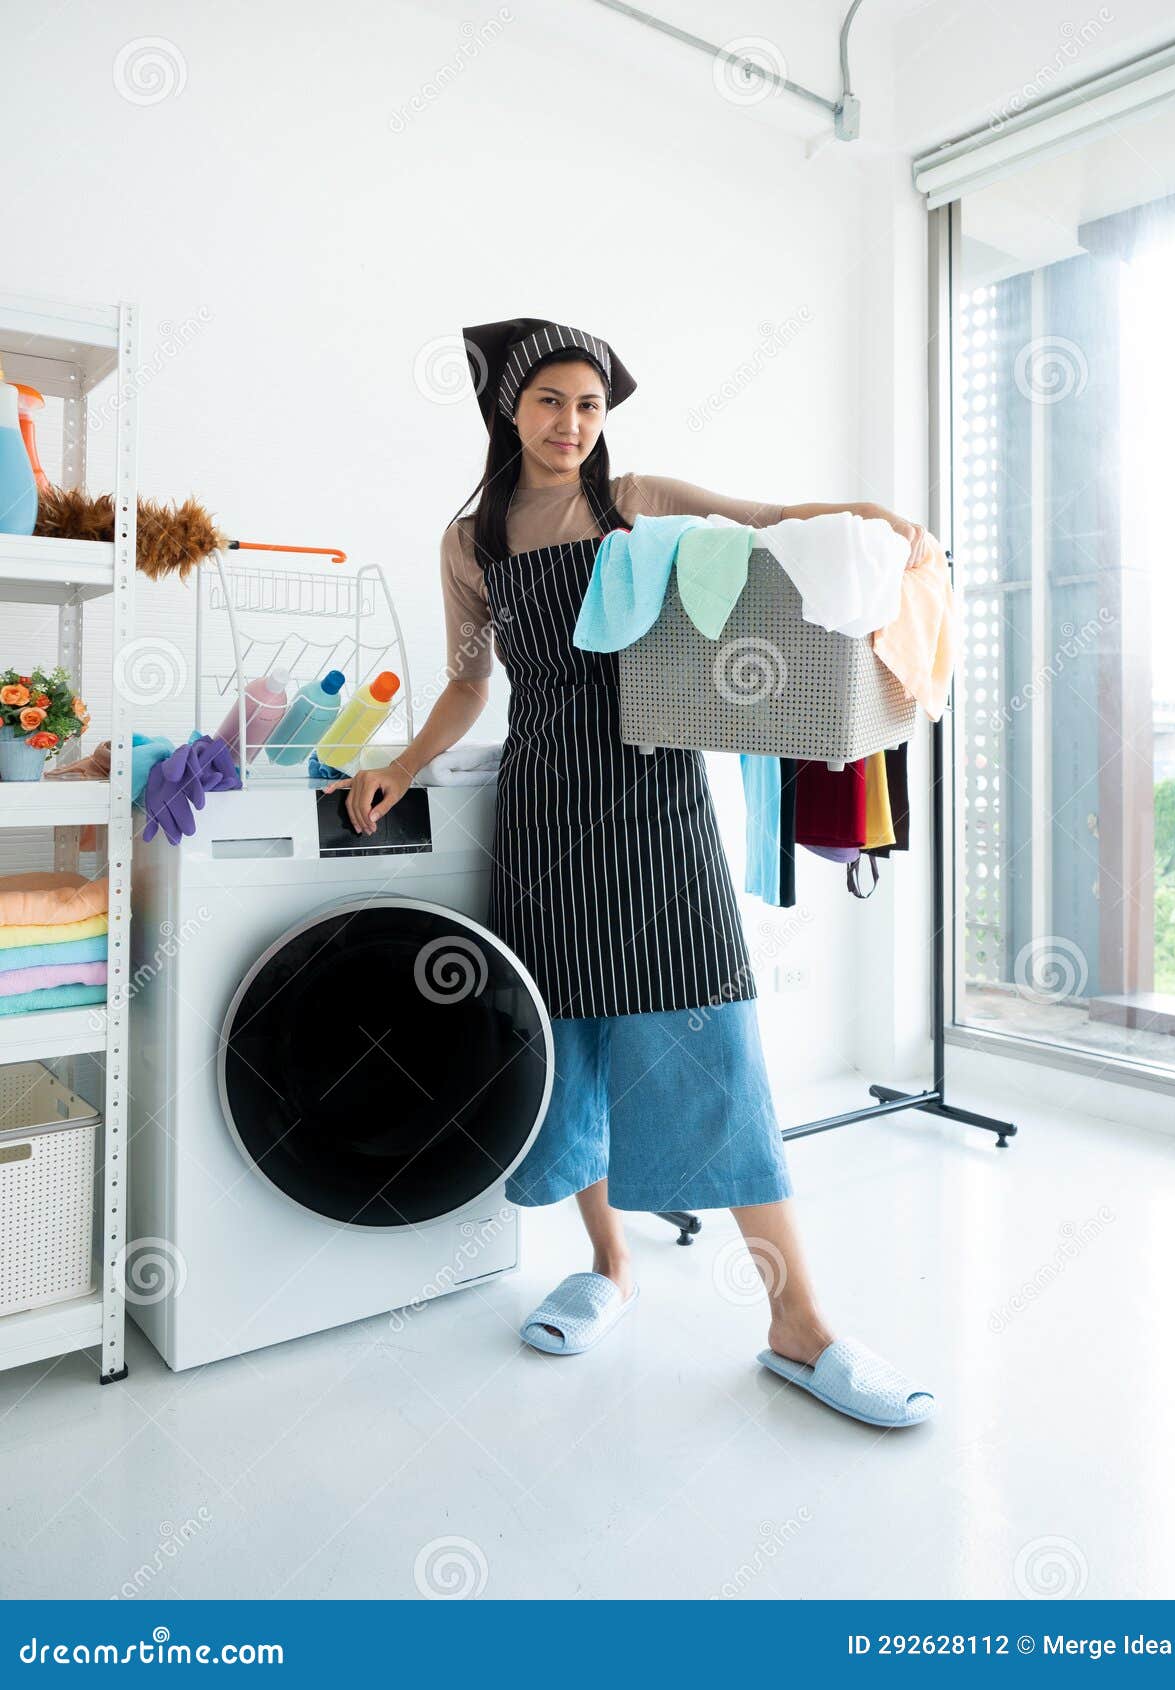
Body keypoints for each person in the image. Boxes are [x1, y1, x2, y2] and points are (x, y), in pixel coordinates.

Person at [327, 317, 934, 1429]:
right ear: (511, 410)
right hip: (543, 804)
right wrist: (397, 766)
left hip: (653, 792)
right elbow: (469, 686)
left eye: (591, 406)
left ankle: (797, 1324)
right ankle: (608, 1264)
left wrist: (868, 524)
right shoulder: (471, 542)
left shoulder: (633, 498)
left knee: (712, 1035)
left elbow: (764, 522)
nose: (572, 425)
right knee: (568, 1041)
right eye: (552, 401)